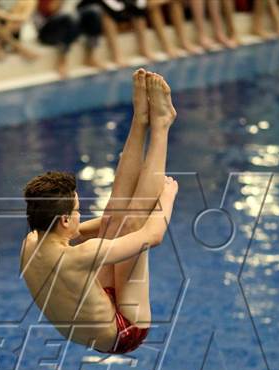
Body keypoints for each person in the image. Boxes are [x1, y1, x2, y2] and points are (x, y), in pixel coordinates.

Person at [20, 69, 178, 354]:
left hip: (92, 307)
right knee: (131, 224)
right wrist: (168, 196)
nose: (81, 215)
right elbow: (153, 235)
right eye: (78, 210)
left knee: (116, 217)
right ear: (64, 219)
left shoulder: (32, 242)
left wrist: (109, 223)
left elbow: (82, 229)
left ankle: (140, 119)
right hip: (124, 328)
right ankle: (162, 125)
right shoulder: (82, 255)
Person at [34, 0, 105, 77]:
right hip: (46, 32)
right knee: (69, 16)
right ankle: (62, 61)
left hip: (66, 23)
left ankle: (90, 57)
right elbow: (52, 9)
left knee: (94, 10)